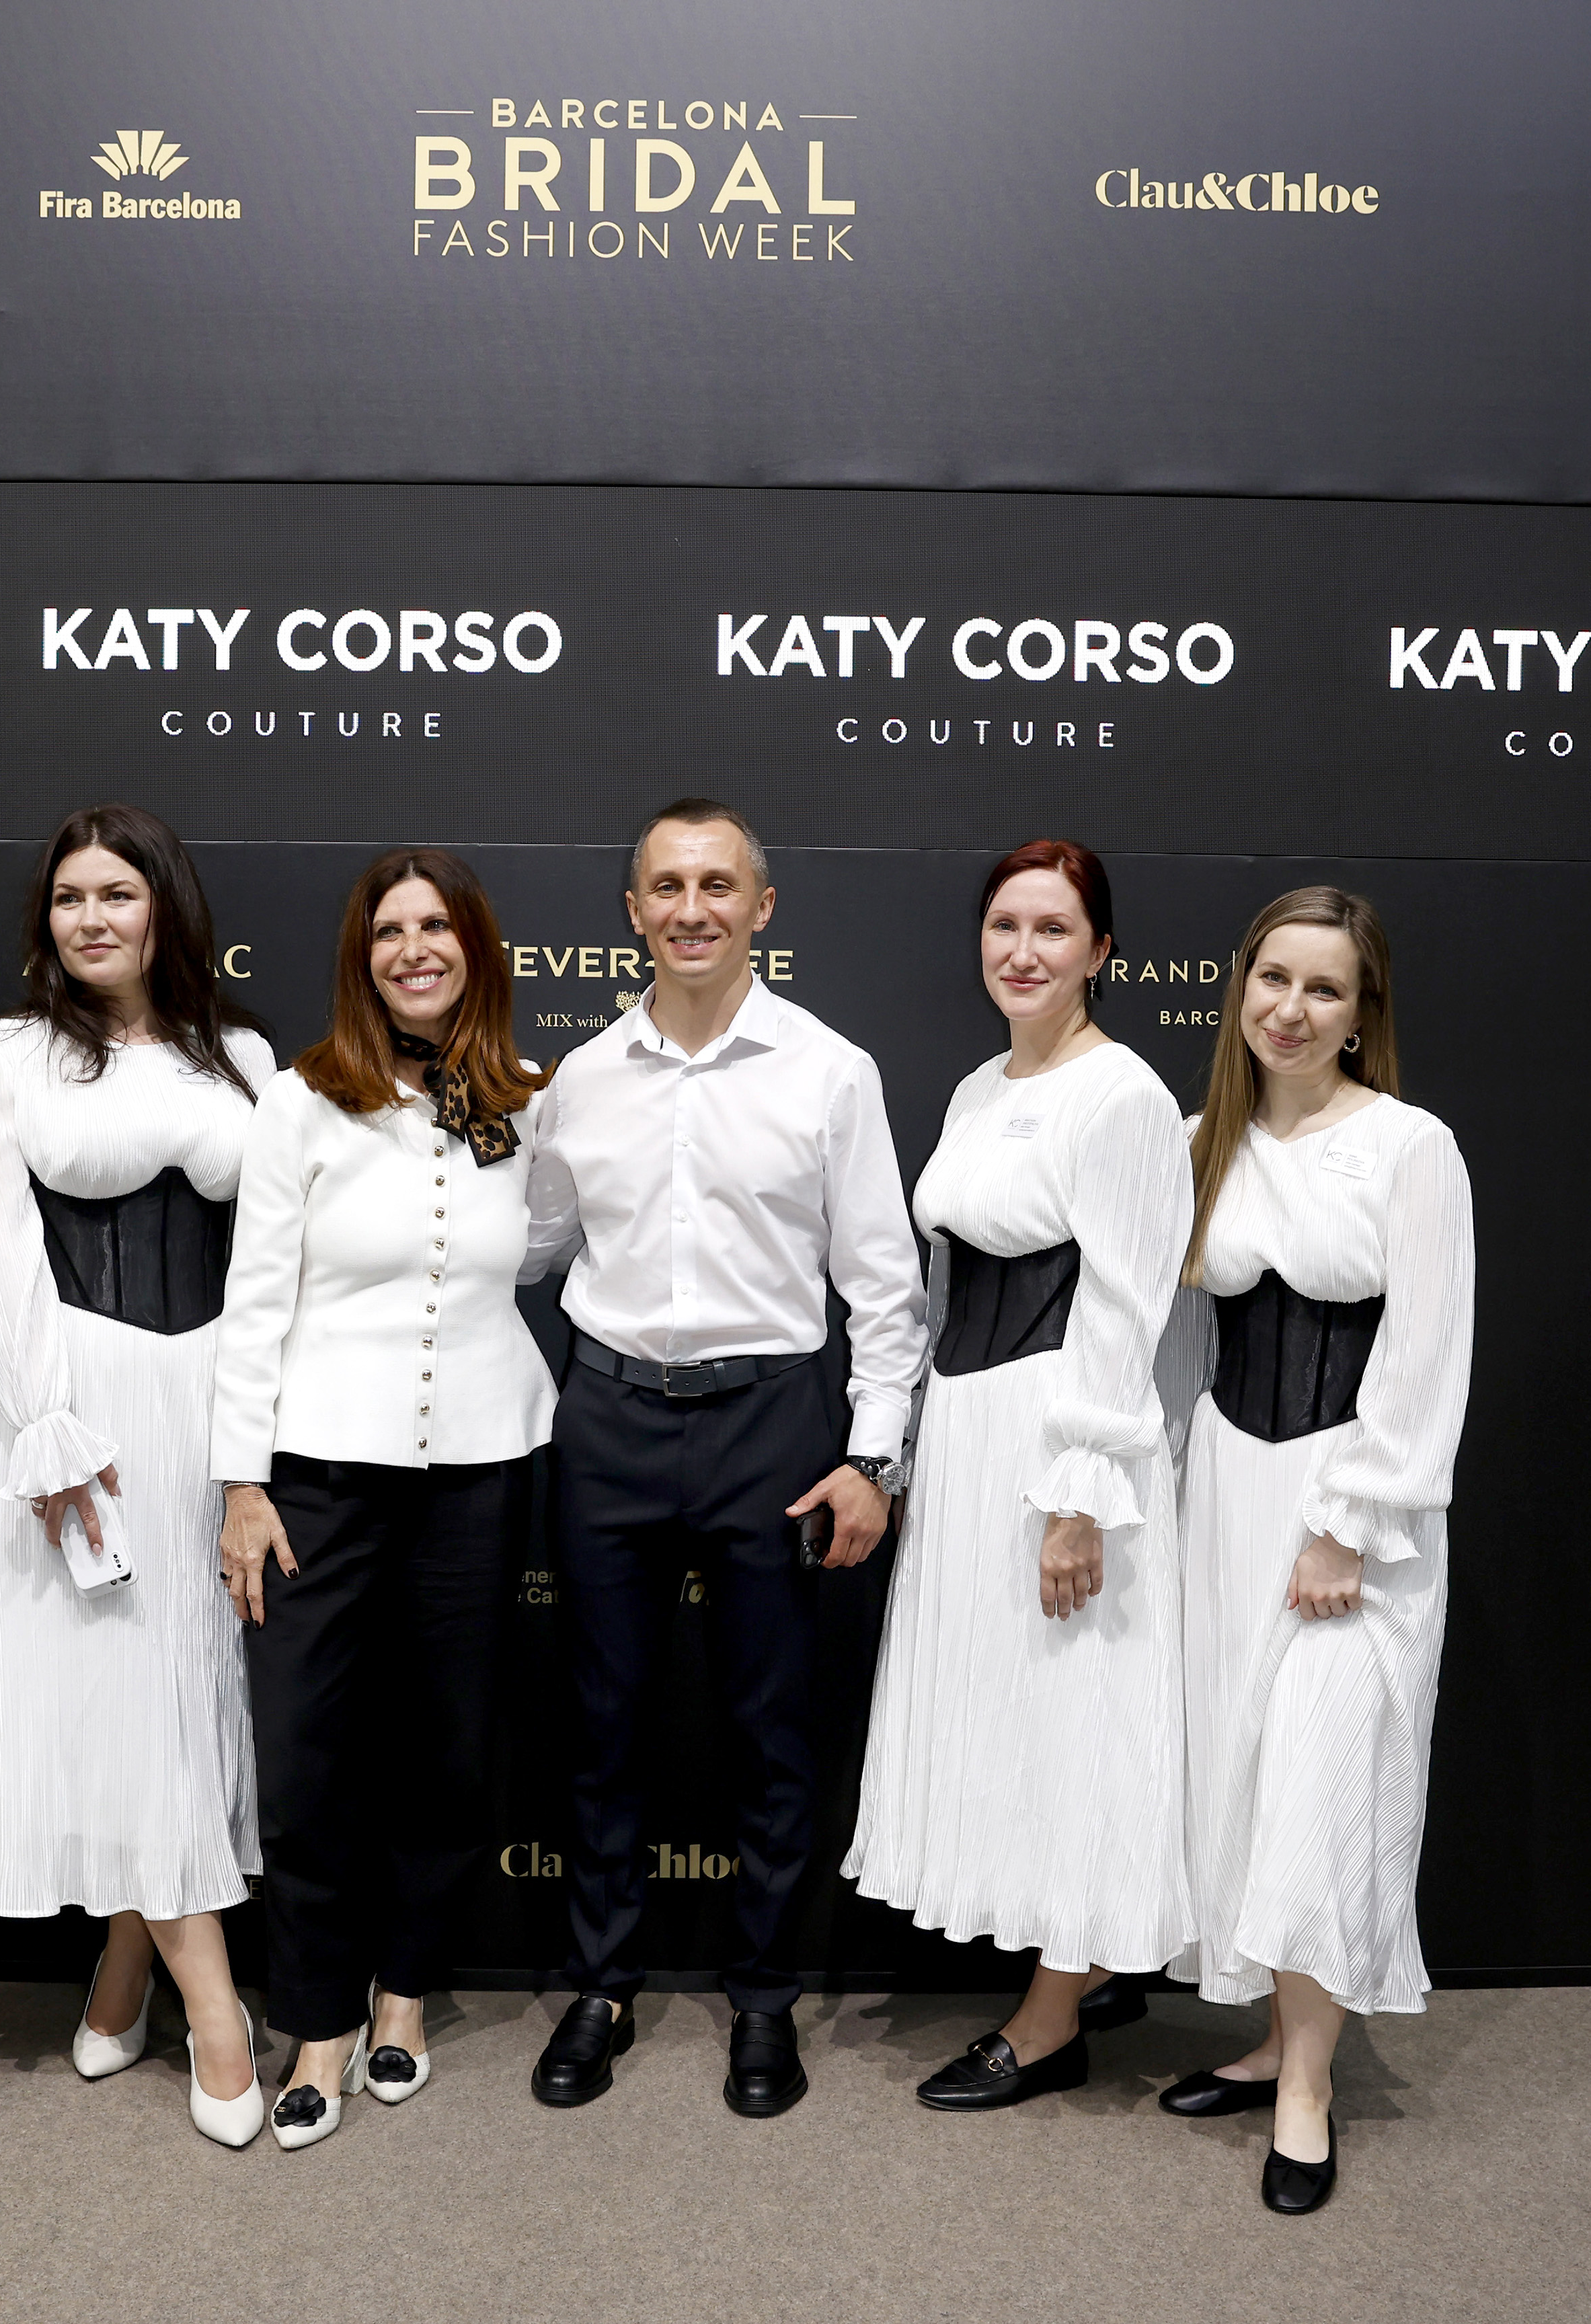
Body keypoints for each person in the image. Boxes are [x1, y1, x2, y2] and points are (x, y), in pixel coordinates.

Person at [518, 797, 931, 2118]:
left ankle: (764, 1999)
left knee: (771, 1731)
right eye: (666, 887)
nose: (691, 909)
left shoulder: (831, 1072)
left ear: (762, 907)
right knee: (601, 1727)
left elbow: (884, 1286)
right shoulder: (579, 1080)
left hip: (775, 1427)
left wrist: (874, 1456)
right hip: (609, 1422)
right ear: (632, 912)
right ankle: (600, 1987)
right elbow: (532, 1250)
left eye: (716, 885)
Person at [213, 849, 555, 2151]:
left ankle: (405, 1991)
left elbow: (548, 1245)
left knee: (447, 1753)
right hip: (316, 1477)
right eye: (389, 930)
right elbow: (256, 1299)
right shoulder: (302, 1101)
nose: (415, 949)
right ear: (362, 958)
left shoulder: (528, 1102)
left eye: (437, 926)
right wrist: (242, 1483)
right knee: (308, 1757)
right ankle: (318, 2019)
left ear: (477, 948)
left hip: (480, 1470)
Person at [0, 805, 272, 2150]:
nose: (91, 917)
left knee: (181, 1698)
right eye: (70, 897)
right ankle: (217, 2013)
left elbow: (271, 1262)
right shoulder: (1, 1056)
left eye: (117, 894)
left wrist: (252, 1439)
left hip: (210, 1410)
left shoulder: (240, 1056)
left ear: (162, 908)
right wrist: (50, 1426)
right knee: (123, 1697)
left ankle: (126, 1965)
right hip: (80, 1406)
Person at [846, 841, 1192, 2111]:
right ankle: (1077, 1964)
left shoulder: (1125, 1096)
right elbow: (948, 1287)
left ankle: (1051, 2021)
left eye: (1054, 929)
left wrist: (1079, 1495)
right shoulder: (978, 1088)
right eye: (1005, 925)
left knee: (1069, 1719)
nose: (1024, 951)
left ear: (1102, 951)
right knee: (1011, 1710)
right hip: (972, 1429)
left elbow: (1125, 1308)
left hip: (1058, 1441)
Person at [1163, 886, 1475, 2216]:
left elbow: (1427, 1353)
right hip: (1225, 1491)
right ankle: (1273, 2042)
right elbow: (1167, 1339)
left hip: (1352, 1510)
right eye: (1272, 978)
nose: (1290, 1009)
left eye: (1324, 988)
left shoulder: (1411, 1148)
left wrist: (1349, 1527)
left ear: (1362, 1012)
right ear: (1241, 986)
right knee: (1242, 1780)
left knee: (1323, 1789)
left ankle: (1306, 2086)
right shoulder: (1201, 1143)